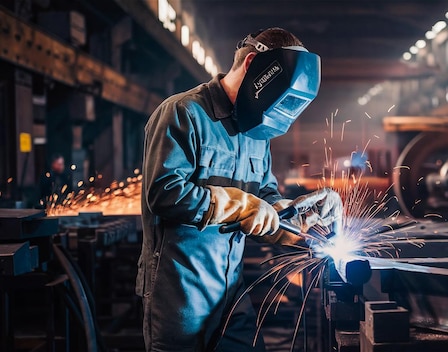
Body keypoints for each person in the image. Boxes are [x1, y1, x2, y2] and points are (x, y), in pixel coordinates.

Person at [138, 28, 342, 351]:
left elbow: (265, 195)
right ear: (252, 66)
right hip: (180, 299)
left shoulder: (254, 134)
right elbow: (163, 193)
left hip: (231, 294)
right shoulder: (183, 114)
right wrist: (235, 204)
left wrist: (297, 218)